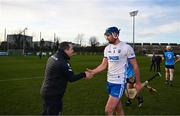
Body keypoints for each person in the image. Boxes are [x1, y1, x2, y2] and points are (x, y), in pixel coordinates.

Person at [87, 27, 142, 115]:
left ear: (115, 35)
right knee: (118, 108)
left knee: (108, 110)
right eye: (106, 36)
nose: (106, 37)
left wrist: (138, 82)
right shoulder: (107, 48)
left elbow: (135, 65)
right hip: (109, 82)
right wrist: (93, 71)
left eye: (108, 35)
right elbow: (104, 65)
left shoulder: (126, 47)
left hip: (119, 82)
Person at [40, 41, 92, 115]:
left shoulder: (52, 57)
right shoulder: (63, 62)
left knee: (47, 113)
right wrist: (84, 74)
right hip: (53, 94)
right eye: (72, 49)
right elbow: (71, 78)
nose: (73, 51)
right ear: (66, 50)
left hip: (47, 91)